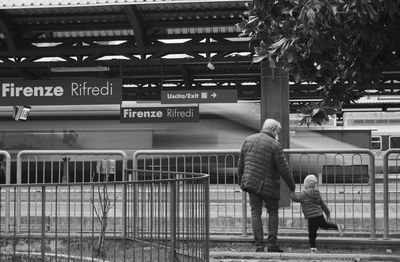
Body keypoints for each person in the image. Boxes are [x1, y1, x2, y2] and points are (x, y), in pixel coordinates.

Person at [237, 118, 296, 253]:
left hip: (251, 183)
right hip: (269, 185)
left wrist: (241, 181)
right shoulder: (275, 145)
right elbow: (284, 169)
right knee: (273, 212)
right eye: (278, 131)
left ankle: (259, 245)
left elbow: (240, 164)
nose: (278, 134)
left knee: (255, 212)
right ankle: (272, 245)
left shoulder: (248, 140)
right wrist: (292, 186)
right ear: (274, 130)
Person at [290, 174, 344, 253]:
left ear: (306, 184)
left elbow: (295, 198)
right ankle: (337, 226)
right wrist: (327, 213)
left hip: (311, 217)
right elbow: (322, 204)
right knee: (325, 225)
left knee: (312, 233)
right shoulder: (317, 193)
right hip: (319, 215)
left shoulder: (304, 194)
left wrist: (292, 192)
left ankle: (313, 248)